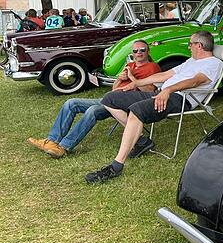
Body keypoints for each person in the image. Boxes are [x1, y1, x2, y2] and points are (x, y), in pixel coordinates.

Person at [84, 30, 223, 184]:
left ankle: (116, 166)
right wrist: (137, 83)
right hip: (161, 93)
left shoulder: (213, 63)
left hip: (180, 98)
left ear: (200, 45)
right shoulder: (191, 61)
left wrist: (168, 90)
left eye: (190, 44)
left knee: (137, 110)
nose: (188, 47)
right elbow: (163, 76)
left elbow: (195, 81)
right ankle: (141, 141)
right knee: (110, 98)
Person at [27, 40, 161, 158]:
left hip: (122, 104)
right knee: (71, 102)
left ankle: (63, 147)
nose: (138, 53)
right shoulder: (130, 66)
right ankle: (51, 140)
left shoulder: (152, 67)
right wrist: (120, 79)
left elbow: (150, 90)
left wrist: (133, 79)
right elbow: (114, 88)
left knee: (92, 111)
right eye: (135, 51)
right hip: (110, 98)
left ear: (148, 51)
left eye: (142, 50)